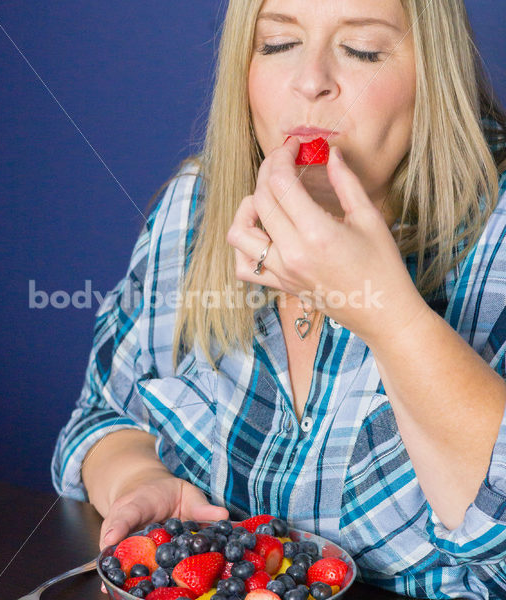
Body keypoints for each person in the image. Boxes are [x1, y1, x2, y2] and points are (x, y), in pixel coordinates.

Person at [51, 1, 506, 598]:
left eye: (362, 49)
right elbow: (100, 418)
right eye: (277, 44)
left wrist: (389, 317)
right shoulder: (197, 206)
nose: (310, 81)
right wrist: (141, 478)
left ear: (435, 75)